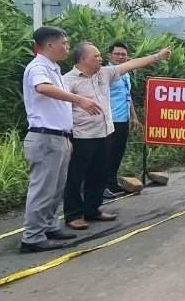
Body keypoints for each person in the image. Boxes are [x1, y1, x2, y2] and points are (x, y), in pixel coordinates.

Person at [63, 42, 171, 230]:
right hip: (81, 136)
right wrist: (66, 138)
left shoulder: (105, 73)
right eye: (96, 56)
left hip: (104, 133)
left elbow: (132, 64)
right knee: (76, 176)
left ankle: (92, 209)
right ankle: (73, 215)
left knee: (98, 174)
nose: (100, 59)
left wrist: (157, 56)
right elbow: (61, 112)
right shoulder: (67, 81)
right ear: (83, 59)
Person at [20, 26, 102, 253]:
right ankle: (32, 237)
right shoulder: (38, 67)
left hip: (60, 137)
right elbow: (42, 88)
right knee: (43, 189)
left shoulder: (54, 69)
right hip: (45, 137)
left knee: (55, 189)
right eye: (64, 43)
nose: (67, 47)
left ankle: (48, 226)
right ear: (50, 46)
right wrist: (80, 99)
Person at [103, 42, 140, 198]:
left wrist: (134, 116)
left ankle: (111, 183)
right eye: (117, 54)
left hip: (122, 119)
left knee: (118, 153)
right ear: (109, 55)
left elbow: (127, 95)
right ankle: (101, 186)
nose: (120, 57)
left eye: (123, 54)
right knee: (106, 155)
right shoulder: (105, 73)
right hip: (109, 121)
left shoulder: (125, 73)